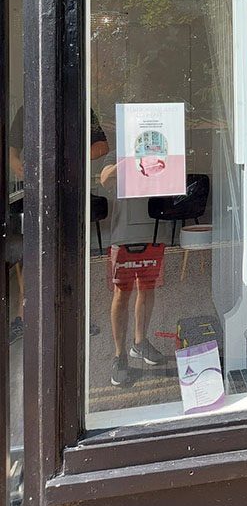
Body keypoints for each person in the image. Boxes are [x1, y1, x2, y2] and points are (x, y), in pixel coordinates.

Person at [8, 107, 109, 341]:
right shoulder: (28, 109)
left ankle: (76, 314)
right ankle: (24, 318)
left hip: (69, 192)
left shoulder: (80, 106)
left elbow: (102, 147)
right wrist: (18, 166)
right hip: (35, 191)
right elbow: (12, 151)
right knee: (30, 256)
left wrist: (69, 158)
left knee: (70, 255)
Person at [100, 159, 166, 387]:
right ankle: (119, 355)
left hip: (153, 230)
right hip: (124, 235)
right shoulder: (121, 151)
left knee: (147, 289)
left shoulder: (159, 151)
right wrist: (128, 160)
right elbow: (105, 179)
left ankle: (140, 342)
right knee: (121, 293)